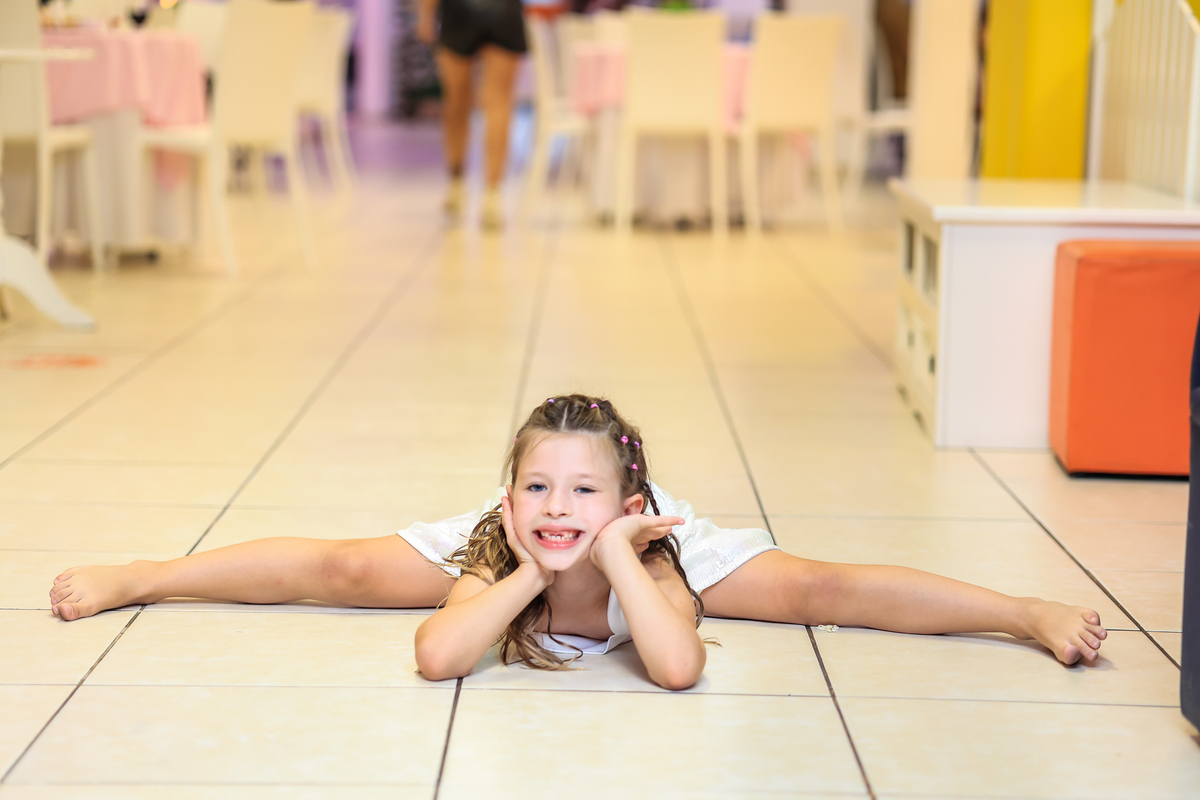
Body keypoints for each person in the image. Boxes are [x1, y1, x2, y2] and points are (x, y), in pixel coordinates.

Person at [49, 395, 1108, 687]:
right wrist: (525, 561)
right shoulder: (510, 532)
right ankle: (148, 575)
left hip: (635, 547)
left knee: (820, 589)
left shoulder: (649, 550)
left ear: (628, 496)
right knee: (344, 568)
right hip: (534, 545)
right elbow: (438, 656)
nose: (559, 504)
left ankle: (1021, 612)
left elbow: (678, 666)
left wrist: (610, 555)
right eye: (539, 485)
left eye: (581, 490)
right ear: (512, 492)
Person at [416, 0, 526, 229]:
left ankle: (457, 184)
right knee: (498, 101)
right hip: (503, 12)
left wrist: (426, 14)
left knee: (457, 101)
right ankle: (492, 196)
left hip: (460, 12)